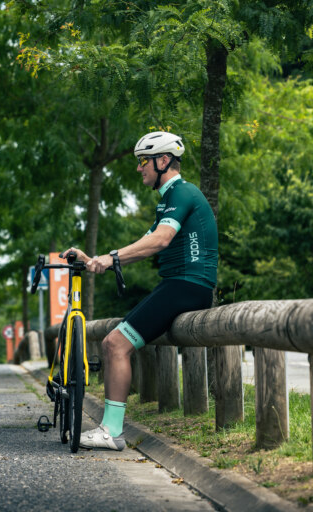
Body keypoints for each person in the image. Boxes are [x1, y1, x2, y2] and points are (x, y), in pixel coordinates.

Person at [61, 131, 218, 450]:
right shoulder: (169, 201)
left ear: (163, 161)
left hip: (187, 286)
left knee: (115, 344)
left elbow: (158, 241)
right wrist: (94, 260)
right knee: (113, 342)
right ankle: (111, 429)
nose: (139, 168)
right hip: (180, 285)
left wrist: (111, 257)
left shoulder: (183, 193)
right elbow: (143, 242)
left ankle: (111, 432)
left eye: (143, 161)